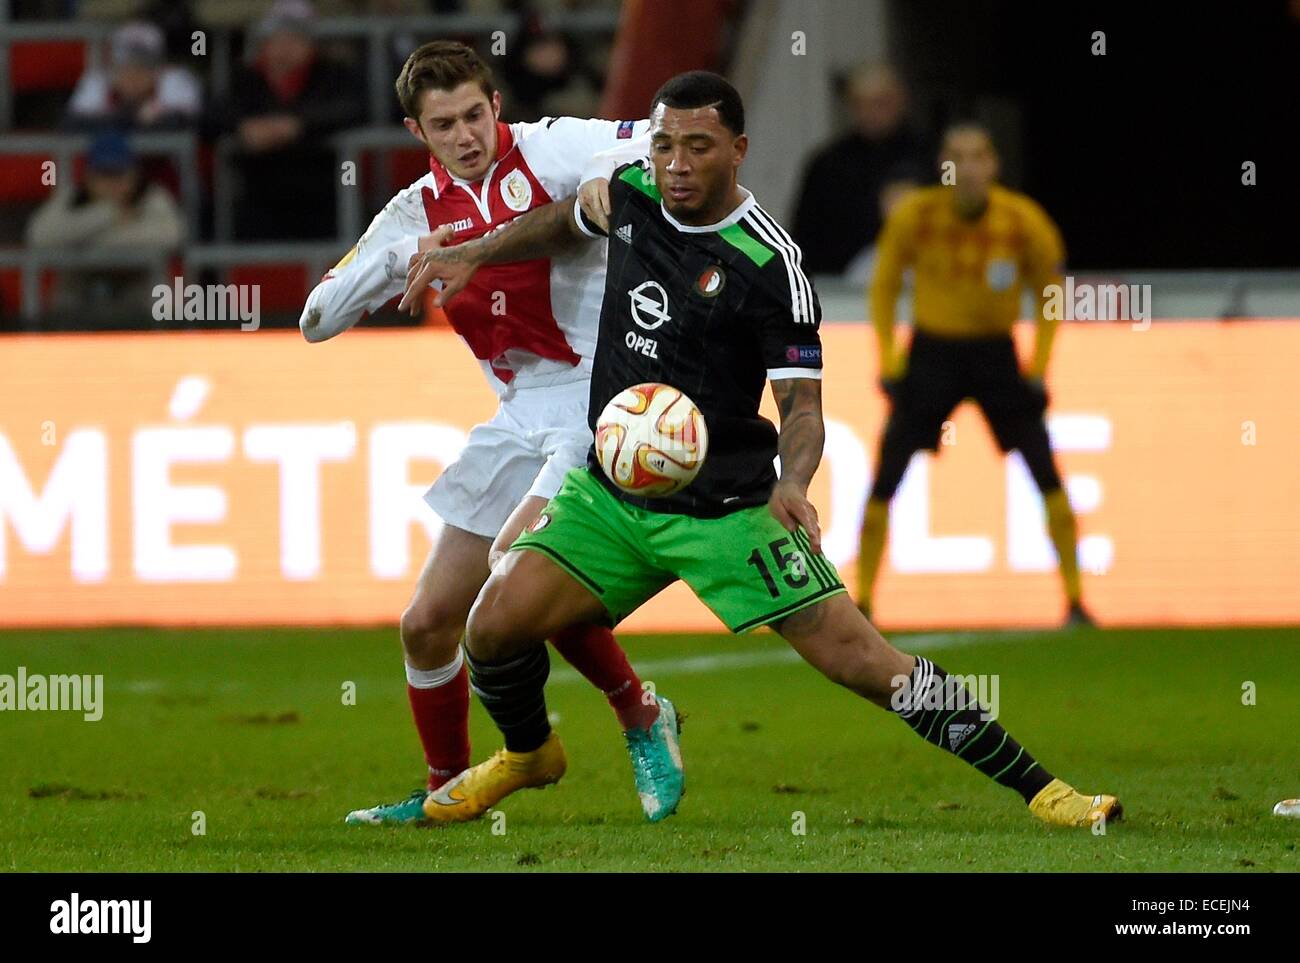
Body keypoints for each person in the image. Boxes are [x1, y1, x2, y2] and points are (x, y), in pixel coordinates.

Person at [399, 71, 1121, 829]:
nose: (676, 163)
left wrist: (795, 479)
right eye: (665, 144)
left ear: (738, 150)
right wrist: (480, 251)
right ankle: (530, 753)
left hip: (727, 511)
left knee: (870, 666)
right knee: (490, 626)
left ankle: (1047, 791)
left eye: (698, 146)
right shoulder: (632, 191)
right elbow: (563, 221)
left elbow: (801, 404)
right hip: (612, 496)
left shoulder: (769, 265)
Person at [299, 40, 682, 826]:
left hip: (598, 400)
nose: (467, 134)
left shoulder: (552, 147)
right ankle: (445, 787)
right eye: (446, 124)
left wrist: (616, 178)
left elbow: (662, 141)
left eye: (476, 113)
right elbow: (314, 319)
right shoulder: (412, 213)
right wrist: (412, 253)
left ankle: (640, 713)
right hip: (518, 416)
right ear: (418, 130)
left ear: (495, 106)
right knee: (427, 621)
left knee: (517, 573)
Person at [858, 122, 1094, 628]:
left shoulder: (1022, 220)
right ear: (942, 165)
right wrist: (889, 357)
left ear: (994, 165)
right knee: (887, 475)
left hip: (996, 356)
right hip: (931, 354)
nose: (966, 167)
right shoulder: (915, 217)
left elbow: (1050, 288)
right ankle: (863, 601)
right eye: (956, 157)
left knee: (1043, 468)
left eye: (977, 156)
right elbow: (883, 287)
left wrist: (1039, 364)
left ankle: (1075, 600)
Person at [225, 0, 364, 239]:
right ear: (264, 44)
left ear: (311, 45)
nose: (285, 48)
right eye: (278, 39)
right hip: (257, 194)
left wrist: (297, 126)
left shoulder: (331, 75)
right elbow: (212, 116)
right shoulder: (247, 79)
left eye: (295, 39)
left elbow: (355, 109)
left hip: (320, 195)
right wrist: (244, 128)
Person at [26, 129, 185, 324]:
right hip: (80, 286)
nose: (112, 183)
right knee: (64, 296)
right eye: (104, 174)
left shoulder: (151, 196)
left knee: (162, 294)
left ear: (135, 174)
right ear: (88, 176)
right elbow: (38, 236)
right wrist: (108, 214)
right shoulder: (72, 197)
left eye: (119, 174)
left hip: (136, 283)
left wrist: (80, 241)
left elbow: (171, 235)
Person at [791, 64, 932, 276]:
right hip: (842, 288)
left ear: (900, 100)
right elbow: (804, 235)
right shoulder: (827, 164)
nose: (871, 113)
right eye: (860, 104)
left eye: (880, 103)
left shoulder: (930, 155)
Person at [63, 20, 203, 133]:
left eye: (143, 66)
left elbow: (196, 125)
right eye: (127, 66)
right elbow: (72, 125)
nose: (134, 74)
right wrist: (133, 119)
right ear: (114, 67)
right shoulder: (97, 80)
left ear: (158, 68)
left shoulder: (175, 80)